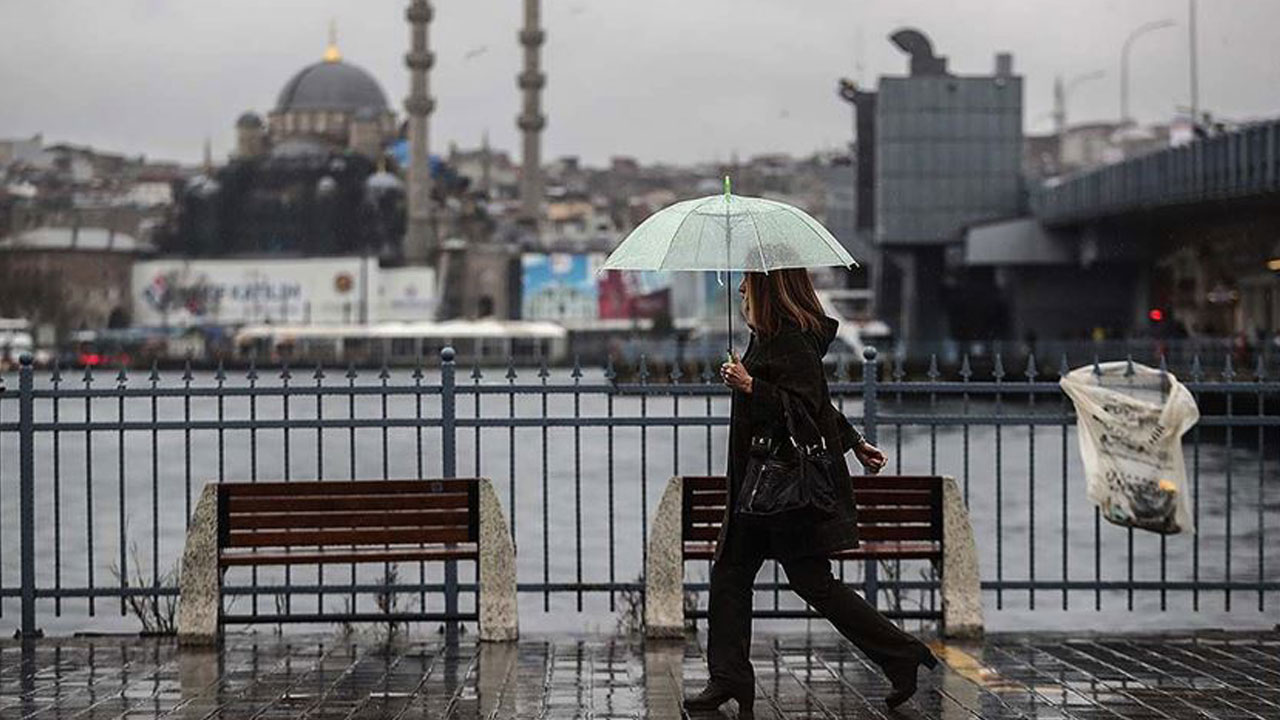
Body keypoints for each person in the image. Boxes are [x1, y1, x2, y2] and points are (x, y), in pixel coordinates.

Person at [683, 269, 938, 717]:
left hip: (782, 488)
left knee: (810, 582)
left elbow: (803, 409)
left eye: (747, 280)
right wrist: (854, 441)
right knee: (730, 575)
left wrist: (751, 386)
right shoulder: (768, 338)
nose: (740, 288)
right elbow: (817, 404)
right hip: (758, 488)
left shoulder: (791, 341)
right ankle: (728, 677)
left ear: (769, 286)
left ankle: (901, 653)